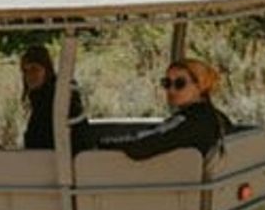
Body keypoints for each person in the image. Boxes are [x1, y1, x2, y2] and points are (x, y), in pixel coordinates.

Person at [99, 59, 232, 160]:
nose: (171, 90)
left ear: (200, 86)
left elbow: (141, 145)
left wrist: (103, 143)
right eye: (166, 83)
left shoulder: (188, 121)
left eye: (180, 84)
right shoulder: (218, 118)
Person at [20, 44, 87, 150]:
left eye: (34, 69)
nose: (29, 75)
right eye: (25, 71)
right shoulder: (38, 100)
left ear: (46, 70)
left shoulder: (61, 96)